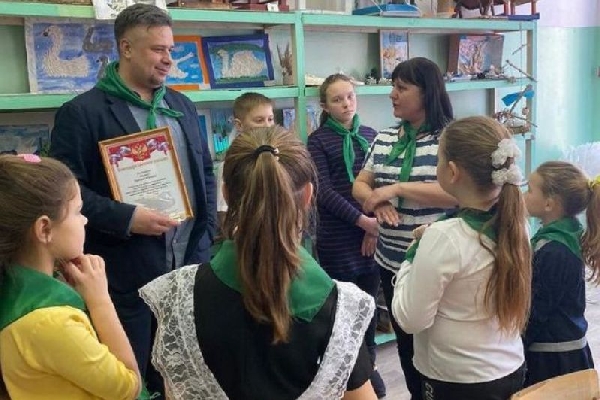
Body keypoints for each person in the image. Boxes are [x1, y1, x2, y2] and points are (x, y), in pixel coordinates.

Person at [49, 4, 216, 398]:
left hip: (186, 270)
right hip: (125, 278)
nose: (169, 59)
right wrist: (127, 218)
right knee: (132, 382)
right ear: (126, 48)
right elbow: (64, 194)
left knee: (186, 378)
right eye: (158, 49)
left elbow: (205, 174)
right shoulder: (82, 113)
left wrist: (206, 236)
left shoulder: (182, 106)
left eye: (171, 49)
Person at [139, 126, 377, 400]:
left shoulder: (179, 295)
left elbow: (175, 391)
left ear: (226, 194)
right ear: (308, 195)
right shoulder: (338, 308)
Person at [392, 116, 531, 400]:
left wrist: (410, 258)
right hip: (509, 367)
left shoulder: (445, 237)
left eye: (438, 159)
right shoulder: (516, 224)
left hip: (457, 381)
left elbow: (410, 319)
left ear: (452, 171)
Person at [351, 57, 456, 400]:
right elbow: (360, 185)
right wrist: (377, 201)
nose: (392, 94)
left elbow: (456, 192)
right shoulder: (384, 138)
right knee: (407, 345)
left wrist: (396, 189)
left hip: (437, 265)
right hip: (391, 263)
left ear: (427, 92)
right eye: (392, 86)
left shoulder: (451, 140)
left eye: (401, 87)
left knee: (439, 345)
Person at [0, 154, 141, 400]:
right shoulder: (49, 322)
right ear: (44, 229)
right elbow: (128, 387)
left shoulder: (12, 287)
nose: (84, 220)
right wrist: (100, 301)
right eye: (77, 211)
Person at [307, 73, 385, 397]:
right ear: (325, 106)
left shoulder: (371, 135)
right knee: (343, 313)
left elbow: (380, 185)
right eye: (337, 99)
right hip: (338, 238)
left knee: (368, 307)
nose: (346, 104)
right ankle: (348, 379)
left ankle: (370, 371)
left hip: (370, 235)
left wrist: (373, 228)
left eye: (350, 96)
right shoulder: (318, 141)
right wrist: (361, 221)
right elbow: (323, 191)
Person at [523, 161, 599, 386]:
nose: (523, 195)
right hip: (559, 354)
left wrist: (512, 349)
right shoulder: (563, 235)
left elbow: (537, 312)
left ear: (549, 204)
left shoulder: (555, 250)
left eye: (529, 190)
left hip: (554, 361)